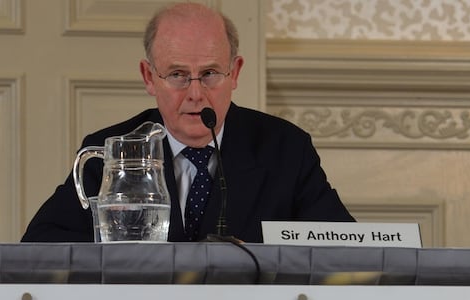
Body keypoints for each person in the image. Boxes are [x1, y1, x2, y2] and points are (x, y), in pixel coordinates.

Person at [21, 2, 353, 243]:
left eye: (210, 73)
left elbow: (344, 249)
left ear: (234, 73)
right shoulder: (114, 151)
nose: (196, 93)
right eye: (177, 75)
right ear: (149, 77)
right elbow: (40, 246)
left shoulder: (285, 149)